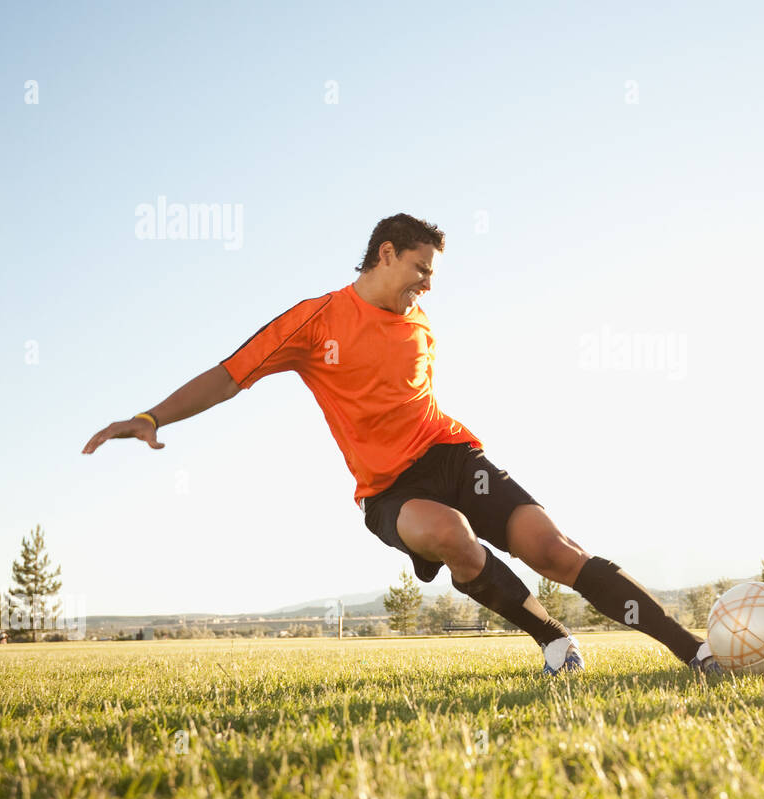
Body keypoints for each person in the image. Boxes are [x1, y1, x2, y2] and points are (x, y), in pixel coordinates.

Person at [83, 214, 720, 676]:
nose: (428, 284)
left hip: (453, 457)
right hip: (389, 488)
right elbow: (229, 375)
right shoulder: (314, 321)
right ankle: (553, 640)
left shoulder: (419, 321)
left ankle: (692, 650)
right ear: (384, 254)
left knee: (553, 550)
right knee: (451, 537)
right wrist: (152, 415)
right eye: (421, 269)